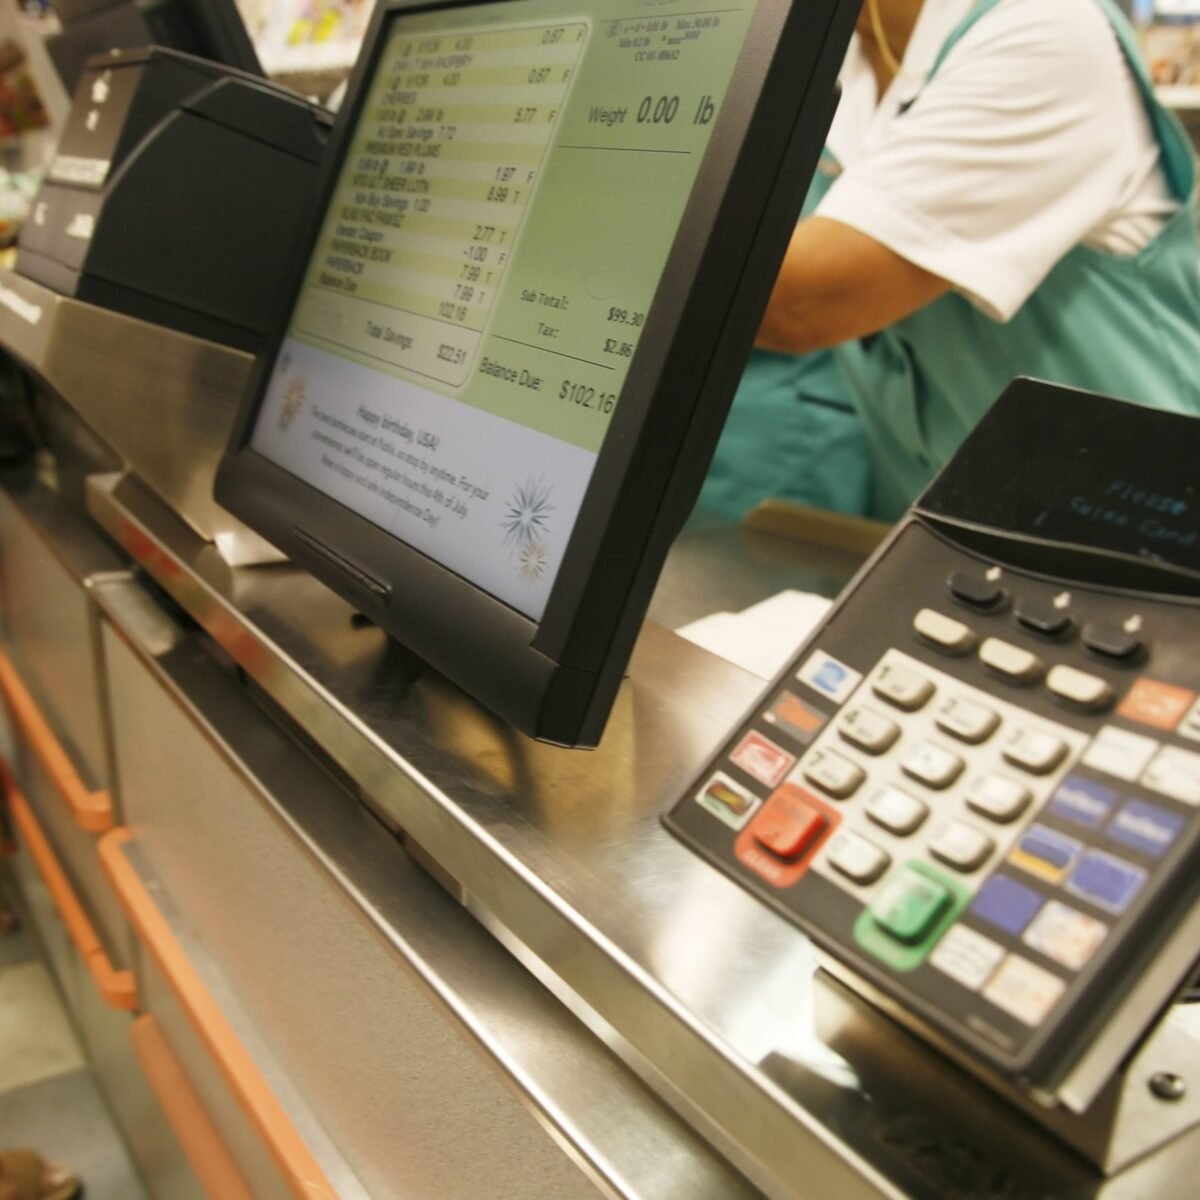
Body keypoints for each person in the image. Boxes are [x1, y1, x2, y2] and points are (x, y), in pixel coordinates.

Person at [699, 0, 1200, 522]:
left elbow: (801, 302)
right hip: (954, 528)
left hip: (1141, 530)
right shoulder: (843, 61)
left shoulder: (1046, 33)